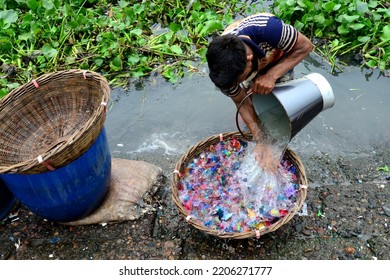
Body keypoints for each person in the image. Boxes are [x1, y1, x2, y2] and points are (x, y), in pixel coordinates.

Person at [206, 12, 313, 173]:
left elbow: (305, 46)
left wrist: (271, 76)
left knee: (281, 104)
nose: (233, 85)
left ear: (249, 58)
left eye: (238, 80)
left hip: (277, 55)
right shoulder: (224, 72)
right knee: (255, 104)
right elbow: (241, 102)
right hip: (247, 65)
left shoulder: (269, 29)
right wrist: (261, 140)